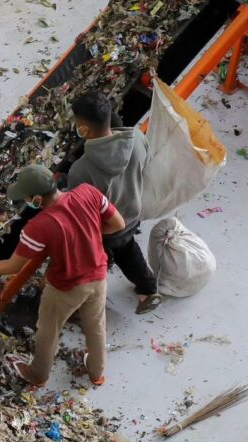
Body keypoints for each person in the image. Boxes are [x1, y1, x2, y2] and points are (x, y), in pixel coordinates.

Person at [0, 164, 125, 387]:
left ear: (36, 199)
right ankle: (96, 372)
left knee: (48, 330)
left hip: (66, 287)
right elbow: (118, 223)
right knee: (95, 326)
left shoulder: (38, 226)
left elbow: (13, 266)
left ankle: (38, 375)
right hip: (99, 276)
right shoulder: (88, 192)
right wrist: (87, 234)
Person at [68, 90, 162, 314]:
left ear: (83, 130)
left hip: (106, 230)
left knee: (90, 265)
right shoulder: (138, 139)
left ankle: (82, 307)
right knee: (128, 249)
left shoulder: (80, 171)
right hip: (133, 212)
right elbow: (145, 166)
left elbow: (81, 215)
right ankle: (149, 290)